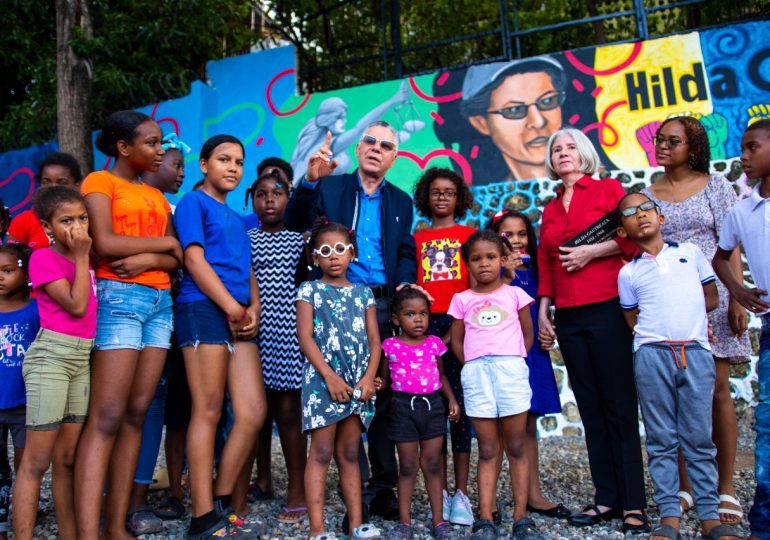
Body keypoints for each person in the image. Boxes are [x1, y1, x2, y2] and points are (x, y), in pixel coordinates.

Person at [286, 121, 417, 520]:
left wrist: (406, 282)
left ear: (395, 157)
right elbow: (294, 223)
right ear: (358, 150)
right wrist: (308, 181)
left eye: (386, 145)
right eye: (371, 142)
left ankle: (382, 487)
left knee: (376, 395)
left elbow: (406, 250)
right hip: (328, 307)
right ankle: (354, 491)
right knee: (337, 395)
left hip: (377, 305)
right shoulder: (330, 186)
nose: (377, 148)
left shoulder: (401, 201)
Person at [74, 110, 182, 540]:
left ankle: (117, 527)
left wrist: (149, 257)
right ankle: (87, 531)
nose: (160, 151)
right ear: (123, 148)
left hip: (159, 304)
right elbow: (103, 243)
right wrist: (165, 244)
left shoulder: (155, 196)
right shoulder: (100, 183)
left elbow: (175, 261)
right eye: (152, 143)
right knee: (108, 416)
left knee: (137, 413)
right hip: (119, 300)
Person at [537, 128, 648, 533]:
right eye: (556, 149)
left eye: (570, 147)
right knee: (590, 408)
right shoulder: (549, 209)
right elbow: (547, 262)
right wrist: (545, 310)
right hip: (568, 315)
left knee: (619, 405)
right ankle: (605, 499)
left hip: (607, 307)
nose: (563, 153)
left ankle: (634, 502)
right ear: (551, 160)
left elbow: (635, 237)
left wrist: (592, 251)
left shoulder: (607, 189)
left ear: (584, 154)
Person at [642, 116, 751, 523]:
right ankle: (686, 489)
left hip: (714, 298)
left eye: (674, 141)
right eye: (660, 139)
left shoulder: (716, 187)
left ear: (694, 147)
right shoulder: (647, 194)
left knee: (716, 390)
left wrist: (737, 298)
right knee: (677, 393)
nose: (664, 145)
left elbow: (731, 246)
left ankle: (724, 489)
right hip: (670, 303)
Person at [616, 192, 740, 540]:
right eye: (629, 213)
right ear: (622, 232)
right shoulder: (628, 272)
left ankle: (708, 515)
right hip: (651, 355)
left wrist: (690, 322)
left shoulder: (691, 253)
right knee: (660, 439)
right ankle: (669, 515)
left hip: (695, 353)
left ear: (661, 218)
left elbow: (710, 296)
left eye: (646, 209)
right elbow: (631, 316)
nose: (640, 215)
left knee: (699, 437)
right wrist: (655, 336)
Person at [173, 134, 265, 539]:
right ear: (204, 165)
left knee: (251, 412)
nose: (232, 167)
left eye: (239, 162)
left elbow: (249, 273)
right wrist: (230, 306)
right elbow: (193, 258)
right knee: (208, 410)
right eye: (223, 159)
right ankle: (202, 516)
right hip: (204, 309)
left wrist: (252, 311)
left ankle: (222, 497)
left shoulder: (239, 219)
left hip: (239, 315)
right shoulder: (194, 203)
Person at [13, 186, 96, 540]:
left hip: (81, 358)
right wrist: (80, 257)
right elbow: (76, 306)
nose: (76, 228)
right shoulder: (43, 259)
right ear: (47, 227)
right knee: (36, 462)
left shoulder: (88, 259)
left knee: (66, 459)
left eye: (82, 218)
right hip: (52, 358)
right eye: (66, 221)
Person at [447, 230, 541, 540]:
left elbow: (527, 336)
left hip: (510, 370)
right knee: (487, 449)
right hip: (476, 376)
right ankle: (485, 518)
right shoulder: (461, 300)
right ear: (467, 266)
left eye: (490, 257)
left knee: (515, 445)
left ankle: (521, 517)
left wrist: (511, 360)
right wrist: (474, 363)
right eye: (476, 259)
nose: (484, 264)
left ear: (502, 260)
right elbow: (457, 342)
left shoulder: (515, 294)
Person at [296, 218, 382, 540]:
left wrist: (369, 378)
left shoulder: (364, 295)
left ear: (352, 253)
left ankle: (358, 524)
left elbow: (375, 342)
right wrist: (330, 378)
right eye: (325, 251)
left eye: (340, 249)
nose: (334, 256)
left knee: (349, 452)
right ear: (315, 257)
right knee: (320, 452)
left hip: (358, 383)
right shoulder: (309, 289)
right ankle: (316, 530)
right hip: (323, 382)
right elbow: (305, 337)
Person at [232, 169, 308, 522]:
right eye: (261, 195)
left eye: (276, 194)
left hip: (288, 335)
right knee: (253, 416)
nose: (269, 201)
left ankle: (297, 487)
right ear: (252, 200)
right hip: (252, 333)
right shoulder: (244, 238)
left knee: (289, 414)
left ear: (288, 198)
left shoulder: (300, 240)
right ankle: (259, 480)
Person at [125, 131, 190, 534]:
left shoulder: (178, 209)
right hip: (128, 316)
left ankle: (142, 497)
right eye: (174, 164)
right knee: (136, 408)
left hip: (170, 318)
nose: (178, 171)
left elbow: (178, 256)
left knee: (162, 405)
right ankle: (126, 497)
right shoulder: (128, 201)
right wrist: (161, 254)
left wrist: (155, 255)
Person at [487, 210, 567, 520]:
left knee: (528, 422)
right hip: (501, 353)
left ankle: (533, 493)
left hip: (531, 352)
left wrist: (548, 330)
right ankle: (489, 499)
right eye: (508, 235)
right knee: (495, 428)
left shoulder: (536, 270)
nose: (517, 240)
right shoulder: (491, 269)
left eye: (522, 234)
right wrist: (504, 270)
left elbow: (542, 307)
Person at [713, 119, 770, 540]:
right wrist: (739, 290)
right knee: (766, 423)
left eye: (752, 148)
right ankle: (764, 523)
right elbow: (720, 257)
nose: (743, 157)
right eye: (742, 149)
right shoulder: (742, 208)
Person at [412, 167, 475, 526]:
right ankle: (440, 492)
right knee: (433, 412)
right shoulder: (417, 238)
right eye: (435, 192)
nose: (441, 197)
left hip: (460, 324)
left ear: (458, 198)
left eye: (449, 192)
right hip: (425, 327)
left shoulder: (469, 236)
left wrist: (457, 329)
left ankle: (462, 493)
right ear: (426, 197)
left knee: (461, 412)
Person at [382, 286, 460, 540]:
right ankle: (404, 523)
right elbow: (383, 380)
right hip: (403, 408)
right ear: (396, 319)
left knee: (433, 463)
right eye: (410, 314)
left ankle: (438, 521)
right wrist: (376, 385)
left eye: (424, 314)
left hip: (433, 407)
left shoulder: (435, 344)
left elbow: (441, 375)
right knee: (407, 465)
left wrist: (451, 400)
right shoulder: (390, 346)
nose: (418, 319)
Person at [460, 56, 565, 183]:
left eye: (548, 101)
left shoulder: (592, 181)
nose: (538, 122)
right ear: (481, 123)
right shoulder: (489, 200)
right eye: (514, 110)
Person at [290, 83, 410, 183]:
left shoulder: (324, 144)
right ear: (329, 118)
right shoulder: (333, 144)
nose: (344, 121)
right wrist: (393, 101)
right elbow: (361, 127)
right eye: (340, 117)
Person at [0, 243, 37, 539]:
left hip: (25, 403)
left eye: (7, 270)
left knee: (27, 465)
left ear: (25, 273)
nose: (0, 277)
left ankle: (24, 513)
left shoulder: (37, 309)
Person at [7, 152, 83, 250]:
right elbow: (12, 260)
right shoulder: (23, 220)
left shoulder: (87, 217)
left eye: (61, 182)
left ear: (76, 186)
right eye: (46, 182)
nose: (52, 187)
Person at [242, 157, 294, 231]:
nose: (269, 199)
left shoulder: (304, 226)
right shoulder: (243, 225)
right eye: (265, 178)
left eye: (277, 178)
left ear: (290, 185)